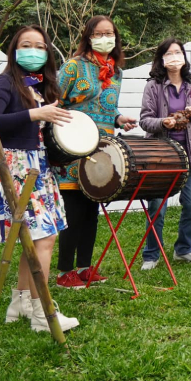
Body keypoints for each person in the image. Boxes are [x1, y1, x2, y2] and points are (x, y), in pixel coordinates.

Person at [0, 25, 78, 331]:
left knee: (36, 238)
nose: (33, 51)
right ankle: (43, 315)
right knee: (45, 238)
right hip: (13, 168)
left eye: (40, 46)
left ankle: (21, 303)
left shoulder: (35, 84)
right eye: (26, 44)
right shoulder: (4, 82)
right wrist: (35, 115)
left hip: (34, 166)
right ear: (14, 49)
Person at [54, 15, 137, 289]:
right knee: (73, 211)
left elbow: (108, 108)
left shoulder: (117, 72)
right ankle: (65, 272)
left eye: (110, 33)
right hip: (72, 146)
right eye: (99, 33)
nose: (105, 38)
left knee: (91, 211)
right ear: (88, 36)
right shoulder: (73, 67)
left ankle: (85, 268)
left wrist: (119, 118)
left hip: (102, 149)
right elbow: (54, 102)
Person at [139, 38, 191, 269]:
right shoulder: (153, 86)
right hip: (160, 155)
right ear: (162, 59)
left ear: (184, 57)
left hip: (189, 154)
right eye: (169, 54)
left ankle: (184, 249)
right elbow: (145, 121)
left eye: (178, 52)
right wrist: (163, 123)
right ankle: (151, 254)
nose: (174, 57)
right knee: (157, 206)